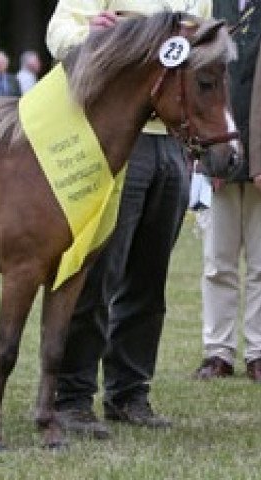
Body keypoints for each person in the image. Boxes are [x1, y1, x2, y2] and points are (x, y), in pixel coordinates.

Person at [47, 0, 212, 439]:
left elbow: (203, 54)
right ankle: (73, 396)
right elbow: (58, 30)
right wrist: (91, 36)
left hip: (173, 144)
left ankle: (129, 393)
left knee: (148, 278)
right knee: (99, 271)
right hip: (116, 137)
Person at [194, 0, 261, 382]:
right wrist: (209, 160)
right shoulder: (210, 7)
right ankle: (217, 352)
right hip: (218, 148)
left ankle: (258, 351)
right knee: (217, 262)